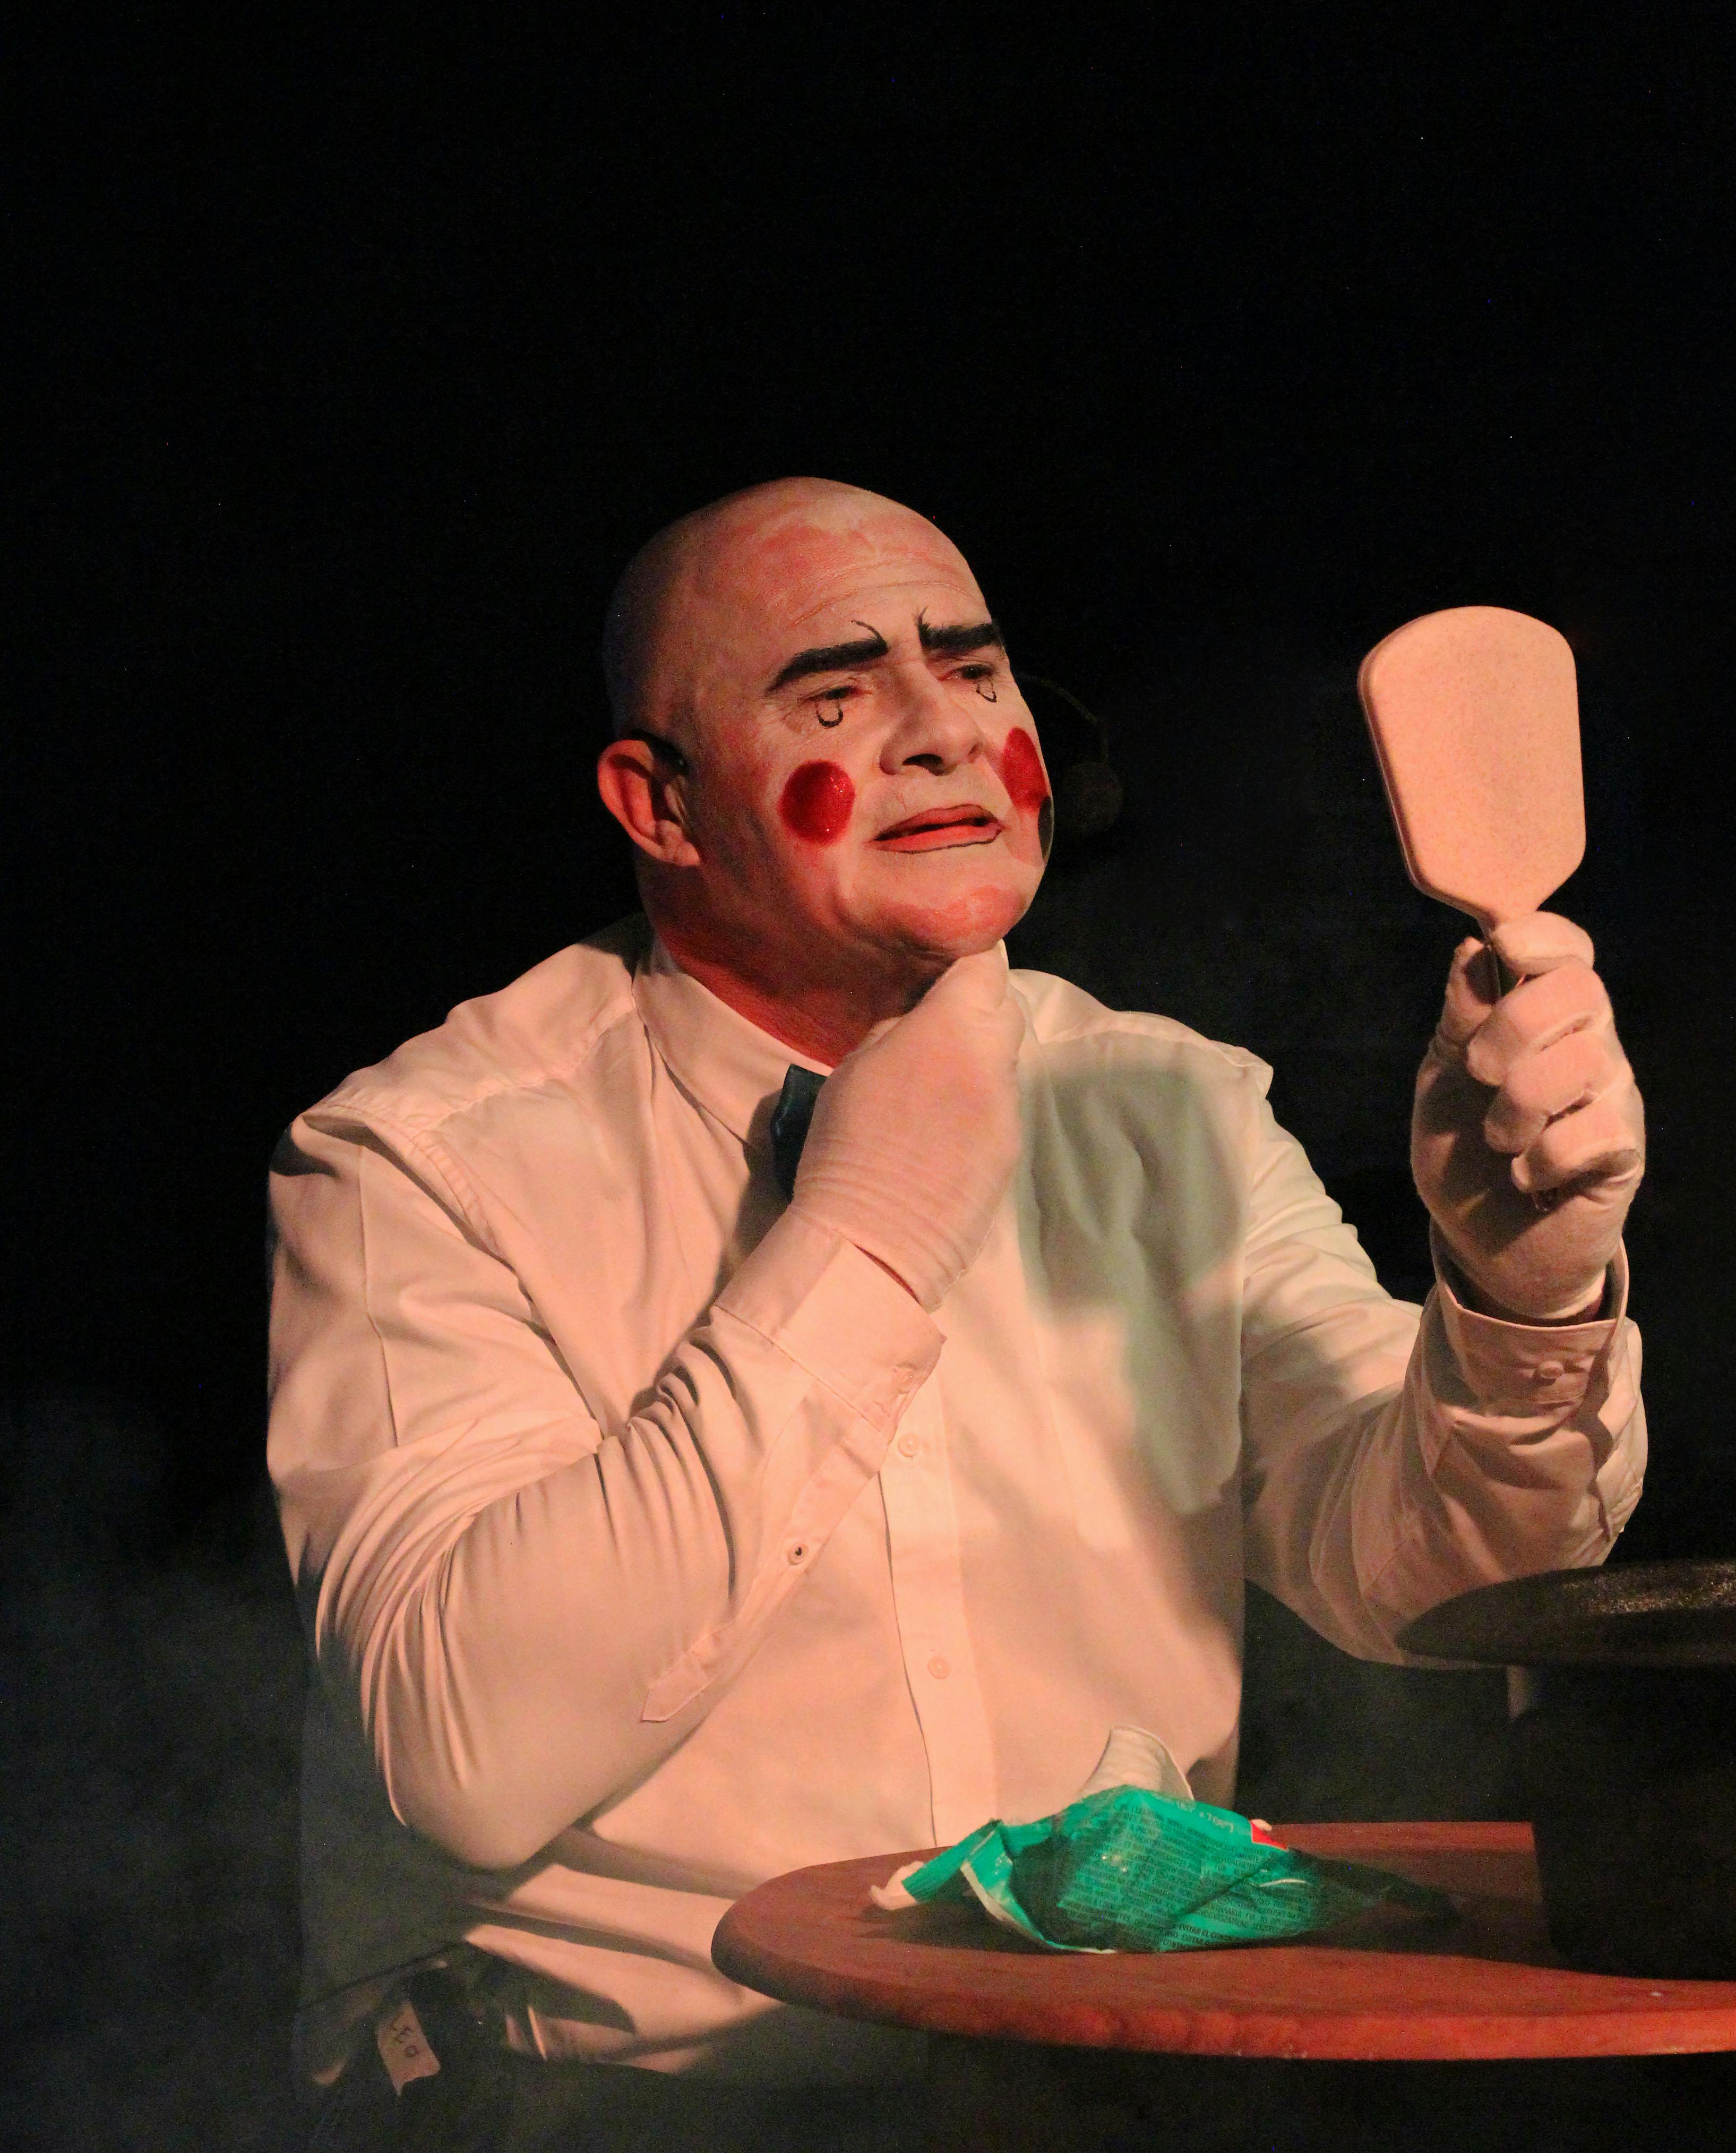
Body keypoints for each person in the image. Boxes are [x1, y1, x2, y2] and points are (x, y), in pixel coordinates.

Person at [268, 476, 1646, 2150]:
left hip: (1118, 2087)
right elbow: (461, 1751)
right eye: (835, 696)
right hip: (625, 2114)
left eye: (976, 674)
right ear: (661, 806)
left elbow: (1445, 1591)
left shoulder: (1170, 1105)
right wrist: (865, 1239)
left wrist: (1520, 1294)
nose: (938, 733)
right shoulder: (423, 1156)